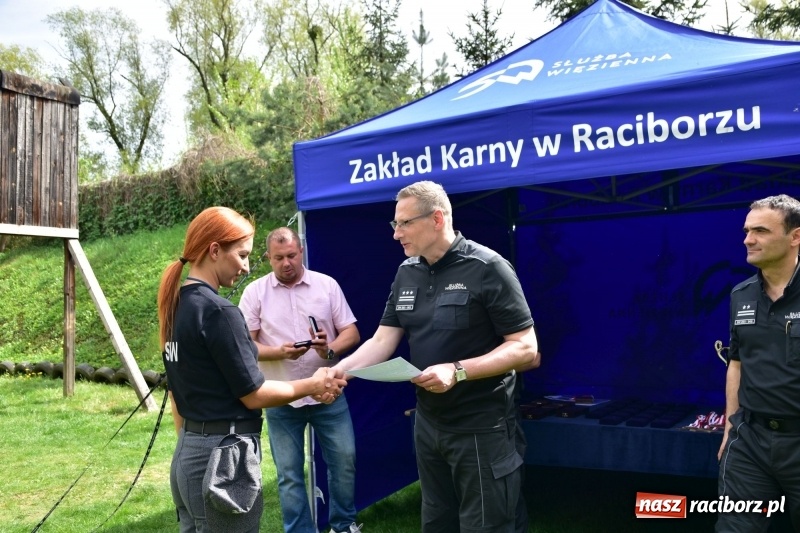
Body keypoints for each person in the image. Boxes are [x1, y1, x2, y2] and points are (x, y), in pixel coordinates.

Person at [332, 180, 540, 532]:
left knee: (488, 524)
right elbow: (383, 339)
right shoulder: (407, 272)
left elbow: (526, 349)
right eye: (394, 225)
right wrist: (338, 372)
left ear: (437, 219)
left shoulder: (488, 267)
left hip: (481, 426)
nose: (396, 234)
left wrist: (457, 371)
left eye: (404, 224)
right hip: (429, 424)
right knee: (436, 521)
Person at [158, 207, 346, 533]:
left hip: (189, 452)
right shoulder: (220, 312)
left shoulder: (176, 305)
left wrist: (192, 446)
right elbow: (254, 394)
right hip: (224, 456)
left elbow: (177, 393)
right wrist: (314, 384)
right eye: (242, 255)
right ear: (214, 250)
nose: (246, 267)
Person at [238, 227, 362, 533]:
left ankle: (343, 525)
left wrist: (328, 347)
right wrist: (278, 352)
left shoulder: (326, 285)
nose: (286, 263)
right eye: (278, 258)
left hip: (328, 392)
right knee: (289, 474)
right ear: (267, 258)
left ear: (301, 251)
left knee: (344, 462)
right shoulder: (255, 292)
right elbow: (244, 345)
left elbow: (352, 333)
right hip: (281, 396)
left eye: (291, 255)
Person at [717, 194, 800, 532]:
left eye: (761, 231)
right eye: (747, 230)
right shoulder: (741, 294)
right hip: (749, 441)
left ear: (795, 236)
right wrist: (729, 429)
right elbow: (736, 362)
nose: (747, 239)